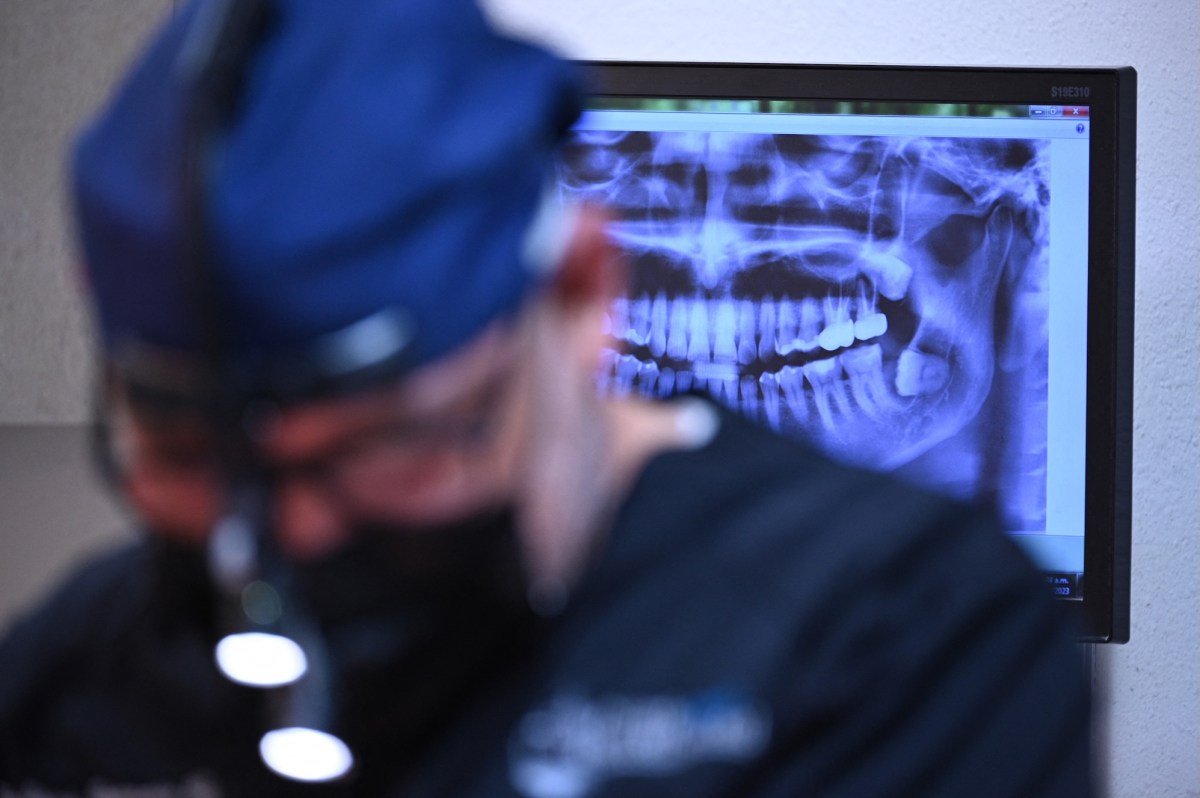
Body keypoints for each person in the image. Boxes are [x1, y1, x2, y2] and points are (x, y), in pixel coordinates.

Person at [0, 0, 1091, 795]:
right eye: (202, 457)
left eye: (385, 444)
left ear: (580, 293)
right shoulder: (111, 651)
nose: (288, 538)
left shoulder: (905, 629)